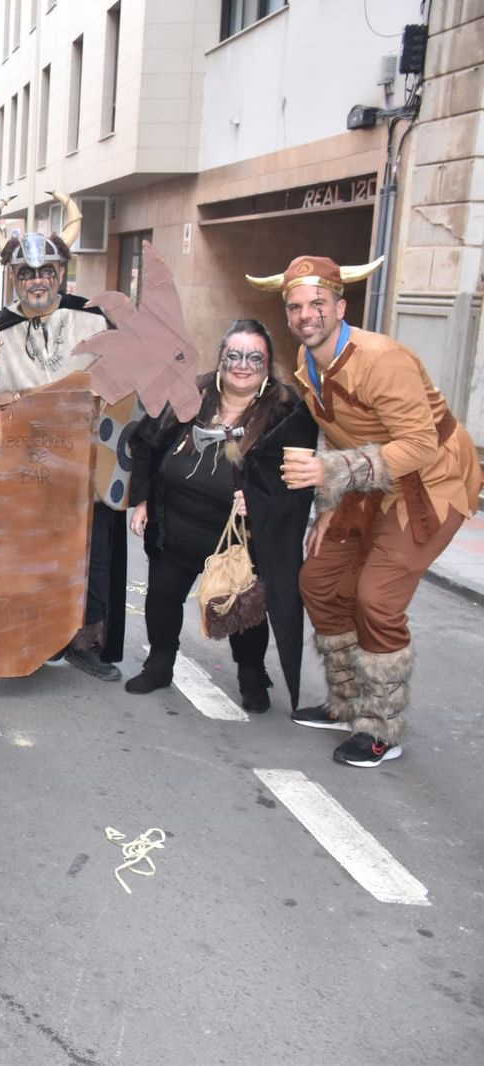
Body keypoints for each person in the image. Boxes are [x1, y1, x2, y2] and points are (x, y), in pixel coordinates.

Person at [250, 255, 482, 767]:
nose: (306, 315)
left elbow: (420, 444)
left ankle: (380, 727)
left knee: (377, 599)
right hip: (367, 480)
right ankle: (347, 702)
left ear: (340, 306)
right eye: (295, 307)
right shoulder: (308, 360)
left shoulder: (381, 358)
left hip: (430, 481)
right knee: (320, 582)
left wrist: (330, 475)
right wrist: (330, 505)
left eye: (317, 304)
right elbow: (338, 434)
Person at [0, 212, 126, 682]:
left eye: (46, 272)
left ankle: (86, 641)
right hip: (28, 466)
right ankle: (37, 634)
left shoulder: (92, 320)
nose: (37, 282)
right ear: (14, 278)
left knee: (92, 555)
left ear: (60, 275)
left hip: (86, 464)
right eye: (27, 274)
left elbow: (126, 386)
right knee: (31, 555)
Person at [123, 320, 317, 711]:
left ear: (267, 364)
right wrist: (142, 499)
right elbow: (145, 441)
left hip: (239, 537)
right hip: (175, 524)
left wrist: (263, 501)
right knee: (162, 597)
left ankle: (250, 675)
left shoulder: (286, 411)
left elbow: (297, 476)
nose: (242, 365)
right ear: (221, 358)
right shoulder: (192, 394)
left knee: (243, 609)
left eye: (254, 358)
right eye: (234, 355)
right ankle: (160, 664)